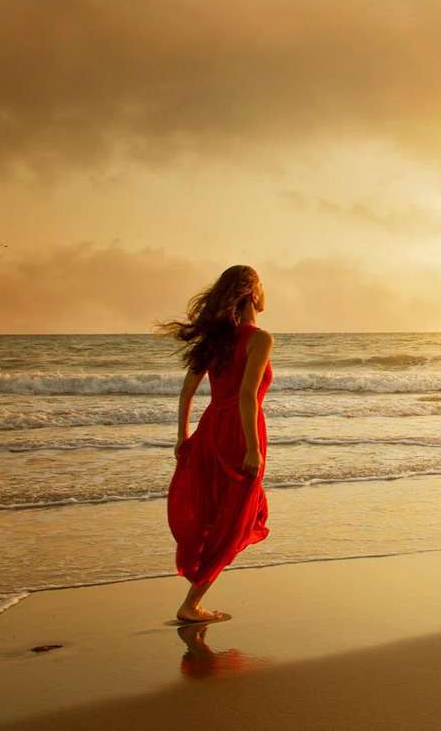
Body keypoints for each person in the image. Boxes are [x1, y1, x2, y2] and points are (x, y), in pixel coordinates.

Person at [156, 265, 274, 623]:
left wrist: (183, 436)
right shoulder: (259, 338)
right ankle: (191, 604)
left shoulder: (216, 342)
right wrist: (252, 448)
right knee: (238, 518)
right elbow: (247, 396)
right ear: (253, 294)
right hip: (239, 433)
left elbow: (187, 392)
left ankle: (194, 597)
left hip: (210, 431)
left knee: (228, 512)